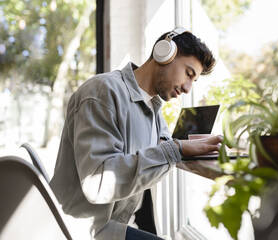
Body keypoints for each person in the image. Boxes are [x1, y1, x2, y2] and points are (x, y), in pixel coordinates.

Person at [50, 28, 222, 240]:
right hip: (80, 229)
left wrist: (189, 146)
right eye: (188, 73)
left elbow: (166, 146)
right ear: (164, 53)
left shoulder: (153, 109)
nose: (187, 88)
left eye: (193, 81)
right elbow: (99, 184)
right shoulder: (102, 92)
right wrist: (175, 150)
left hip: (114, 224)